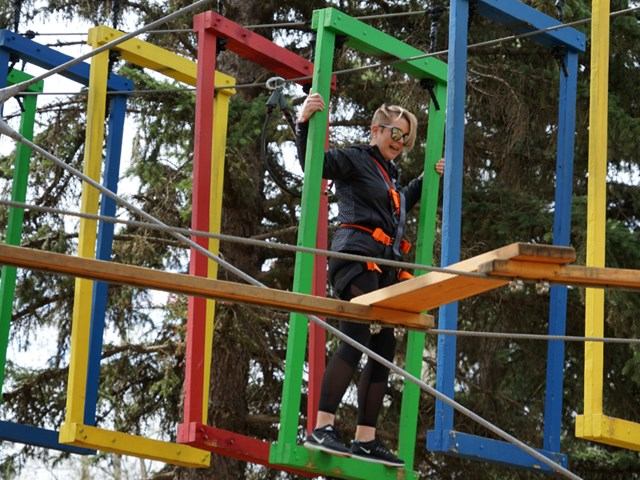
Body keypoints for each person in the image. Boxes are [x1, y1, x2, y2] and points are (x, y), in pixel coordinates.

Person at [295, 93, 444, 467]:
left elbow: (401, 203)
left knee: (384, 344)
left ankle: (365, 438)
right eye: (395, 132)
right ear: (376, 129)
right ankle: (322, 425)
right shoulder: (357, 158)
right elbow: (315, 164)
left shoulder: (389, 176)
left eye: (406, 137)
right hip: (356, 256)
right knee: (358, 332)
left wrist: (430, 177)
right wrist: (303, 123)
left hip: (384, 265)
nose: (400, 141)